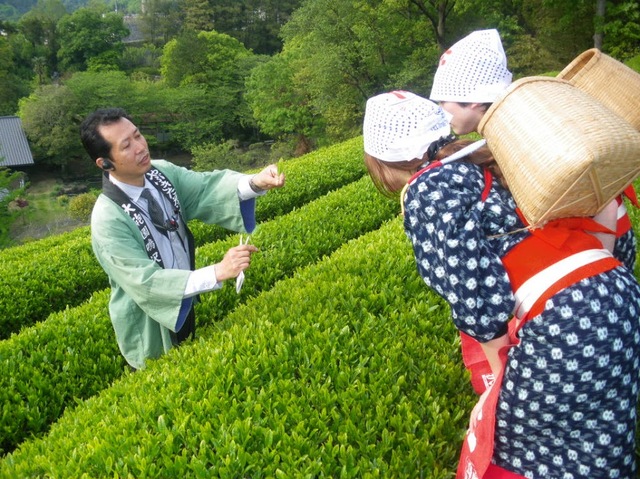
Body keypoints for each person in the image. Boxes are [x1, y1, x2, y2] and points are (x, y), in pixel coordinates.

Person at [363, 90, 640, 478]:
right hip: (617, 295)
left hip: (566, 317)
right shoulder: (488, 156)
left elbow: (471, 284)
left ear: (381, 160)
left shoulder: (428, 188)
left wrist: (498, 373)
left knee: (521, 451)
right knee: (601, 438)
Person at [80, 107, 285, 370]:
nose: (141, 147)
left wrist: (255, 183)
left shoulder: (159, 173)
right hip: (150, 323)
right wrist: (218, 272)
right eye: (126, 145)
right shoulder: (108, 218)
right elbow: (146, 282)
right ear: (104, 162)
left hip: (184, 299)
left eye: (138, 135)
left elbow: (203, 189)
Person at [430, 28, 638, 272]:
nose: (441, 110)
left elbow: (600, 194)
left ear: (473, 100)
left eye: (444, 101)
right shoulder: (506, 127)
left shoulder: (525, 129)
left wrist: (600, 266)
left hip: (602, 241)